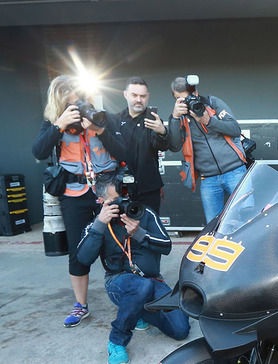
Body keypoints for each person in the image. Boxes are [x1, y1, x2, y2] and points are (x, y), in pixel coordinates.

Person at [32, 74, 127, 328]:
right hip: (73, 193)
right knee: (78, 250)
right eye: (70, 104)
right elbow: (39, 151)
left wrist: (99, 130)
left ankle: (128, 301)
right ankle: (81, 305)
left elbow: (123, 152)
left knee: (116, 246)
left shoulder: (102, 117)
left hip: (106, 189)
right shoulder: (53, 122)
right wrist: (58, 125)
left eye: (79, 101)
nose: (76, 108)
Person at [75, 173, 190, 364]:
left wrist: (140, 234)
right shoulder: (97, 223)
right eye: (116, 200)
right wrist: (100, 224)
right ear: (102, 201)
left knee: (180, 330)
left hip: (153, 281)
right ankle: (117, 340)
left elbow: (167, 246)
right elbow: (83, 259)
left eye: (125, 196)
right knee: (140, 286)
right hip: (118, 282)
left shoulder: (145, 213)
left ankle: (139, 312)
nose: (123, 203)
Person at [167, 75, 247, 223]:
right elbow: (174, 146)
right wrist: (175, 117)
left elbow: (235, 129)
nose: (187, 102)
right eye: (181, 99)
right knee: (213, 224)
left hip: (235, 171)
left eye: (189, 97)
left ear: (195, 93)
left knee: (248, 217)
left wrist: (209, 121)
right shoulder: (179, 118)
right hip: (208, 178)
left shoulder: (212, 103)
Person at [115, 76, 169, 214]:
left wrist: (162, 132)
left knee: (151, 228)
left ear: (148, 97)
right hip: (121, 188)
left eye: (142, 96)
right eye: (134, 95)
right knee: (123, 230)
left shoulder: (154, 120)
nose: (139, 99)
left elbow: (161, 146)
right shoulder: (115, 120)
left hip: (149, 188)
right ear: (125, 94)